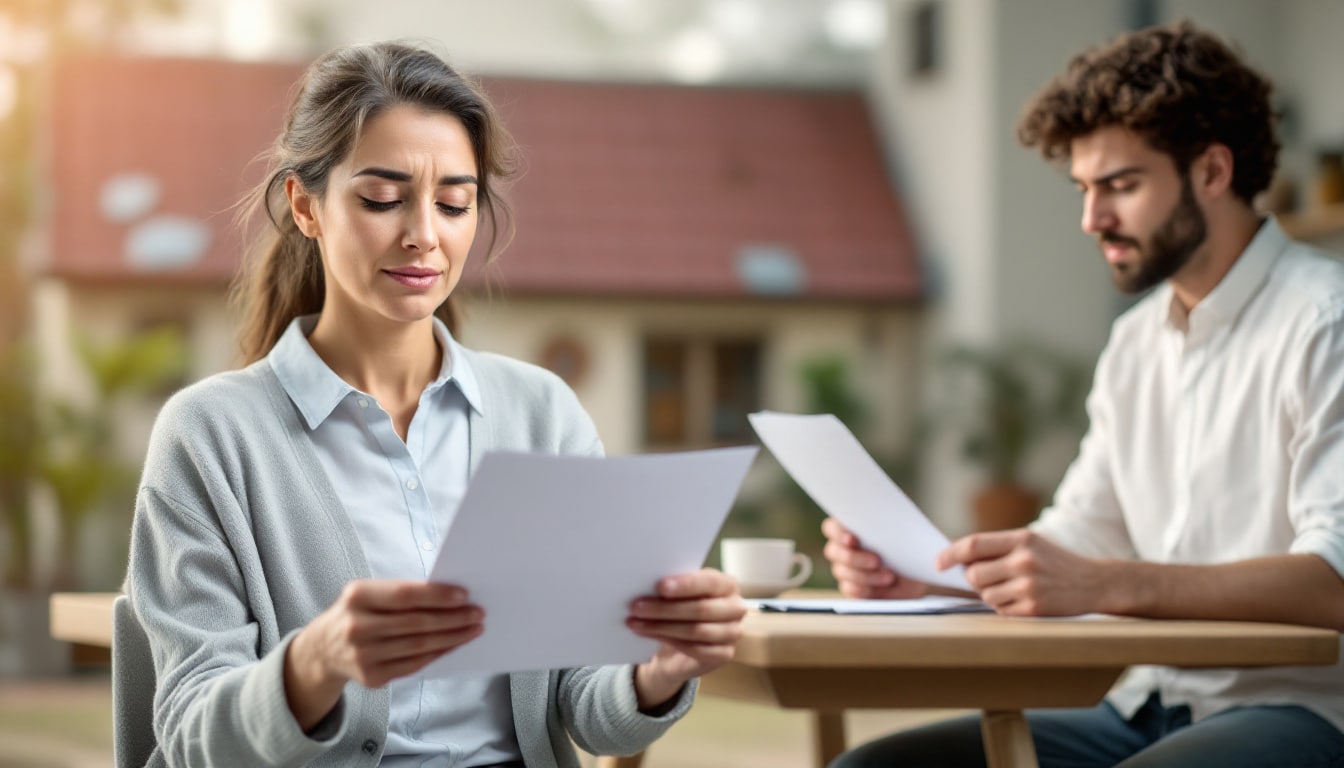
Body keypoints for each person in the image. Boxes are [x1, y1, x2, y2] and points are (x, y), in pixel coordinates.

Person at [122, 41, 746, 768]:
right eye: (382, 198)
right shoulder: (210, 436)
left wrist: (656, 671)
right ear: (305, 206)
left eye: (454, 202)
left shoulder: (543, 414)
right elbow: (192, 734)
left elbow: (584, 705)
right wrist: (314, 664)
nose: (424, 234)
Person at [822, 20, 1344, 768]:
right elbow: (1077, 544)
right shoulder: (1135, 346)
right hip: (1141, 706)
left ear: (1212, 172)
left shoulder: (1326, 323)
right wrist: (933, 577)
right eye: (1083, 189)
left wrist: (1108, 582)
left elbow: (1334, 581)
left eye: (1120, 186)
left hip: (1303, 714)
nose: (1091, 219)